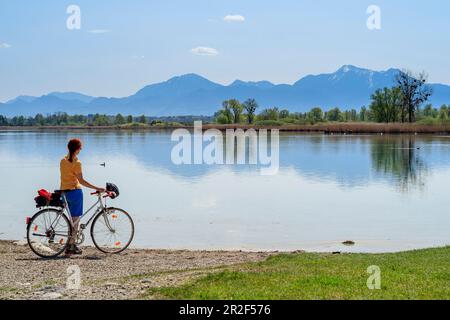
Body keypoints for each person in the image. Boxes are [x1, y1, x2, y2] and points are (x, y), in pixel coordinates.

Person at [60, 138, 105, 255]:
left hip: (64, 193)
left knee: (71, 221)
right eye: (80, 148)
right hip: (75, 193)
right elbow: (81, 180)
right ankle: (71, 246)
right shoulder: (77, 163)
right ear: (77, 149)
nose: (81, 149)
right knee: (76, 220)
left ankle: (70, 245)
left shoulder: (62, 161)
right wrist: (97, 187)